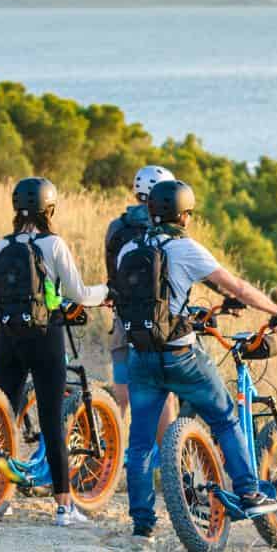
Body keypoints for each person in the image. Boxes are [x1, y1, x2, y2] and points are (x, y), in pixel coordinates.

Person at [114, 179, 277, 542]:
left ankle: (142, 522)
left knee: (141, 442)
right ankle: (248, 490)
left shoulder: (128, 248)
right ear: (183, 215)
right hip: (181, 355)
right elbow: (236, 286)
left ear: (151, 211)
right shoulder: (186, 249)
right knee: (225, 419)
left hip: (141, 354)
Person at [0, 177, 109, 527]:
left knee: (4, 413)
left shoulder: (2, 245)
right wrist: (106, 291)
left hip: (7, 336)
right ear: (49, 208)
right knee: (51, 419)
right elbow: (78, 292)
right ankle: (64, 507)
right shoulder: (53, 244)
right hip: (45, 336)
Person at [103, 164, 175, 414]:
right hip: (158, 321)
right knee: (163, 393)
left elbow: (111, 274)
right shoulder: (166, 228)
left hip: (124, 317)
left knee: (121, 389)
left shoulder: (117, 227)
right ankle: (166, 451)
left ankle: (114, 444)